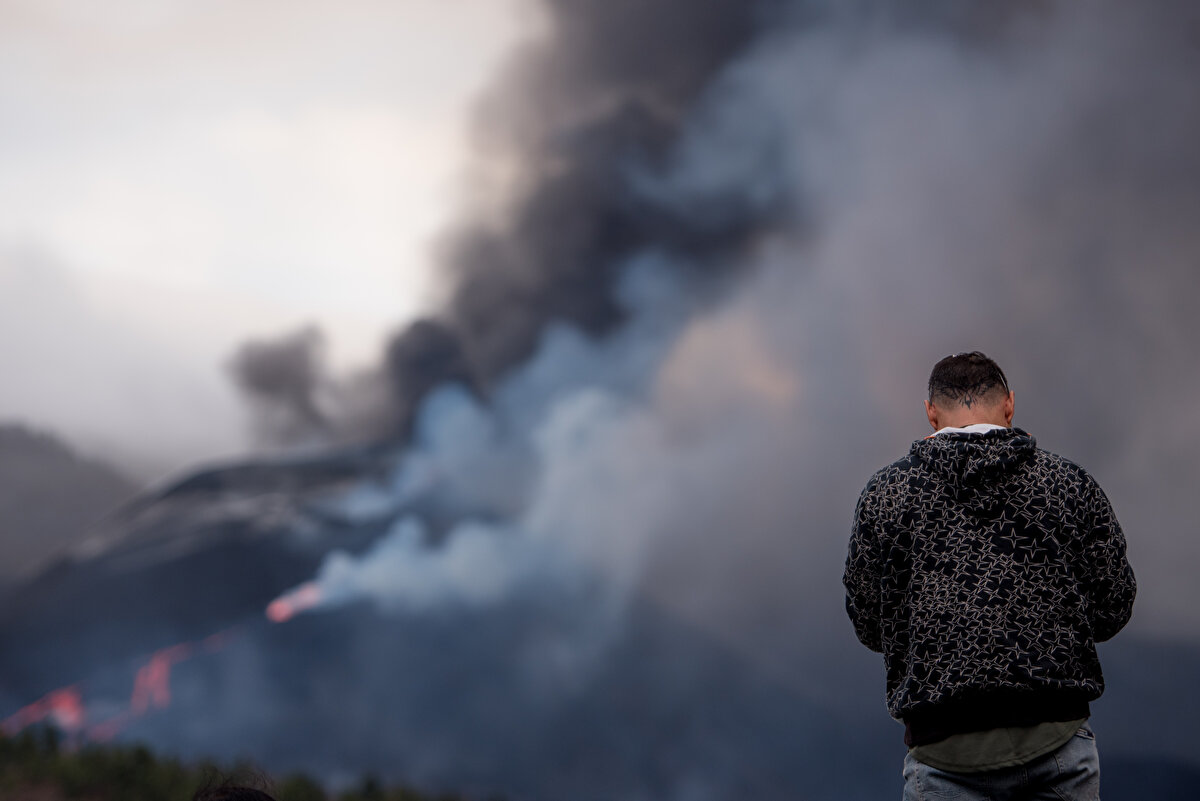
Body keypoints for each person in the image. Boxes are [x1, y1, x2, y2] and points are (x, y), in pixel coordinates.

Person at [843, 351, 1136, 799]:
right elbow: (1113, 607)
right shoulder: (1070, 484)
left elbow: (868, 622)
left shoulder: (886, 495)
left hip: (942, 757)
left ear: (932, 413)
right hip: (1057, 747)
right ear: (1009, 405)